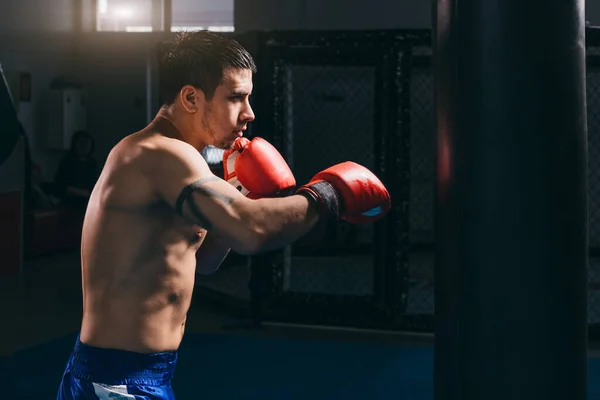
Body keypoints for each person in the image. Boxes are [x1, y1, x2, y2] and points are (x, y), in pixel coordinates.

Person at [56, 30, 391, 400]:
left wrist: (241, 191)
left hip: (134, 373)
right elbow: (251, 230)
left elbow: (204, 260)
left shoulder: (177, 159)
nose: (249, 112)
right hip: (116, 378)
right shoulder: (160, 153)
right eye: (236, 97)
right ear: (190, 97)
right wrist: (329, 194)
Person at [53, 130, 99, 210]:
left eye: (87, 143)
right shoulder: (66, 162)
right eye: (82, 143)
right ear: (75, 144)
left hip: (88, 202)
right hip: (69, 202)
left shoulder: (93, 163)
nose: (85, 146)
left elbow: (96, 184)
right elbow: (59, 185)